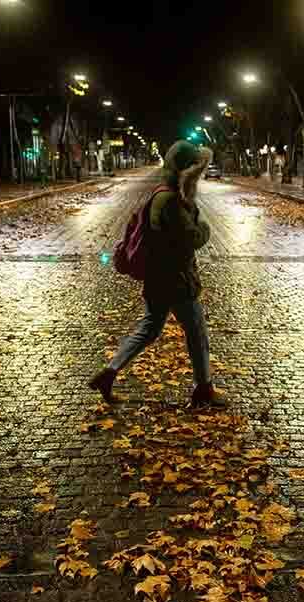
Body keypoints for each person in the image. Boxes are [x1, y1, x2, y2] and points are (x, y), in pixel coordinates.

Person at [88, 140, 222, 407]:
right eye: (196, 169)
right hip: (175, 280)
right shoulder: (170, 199)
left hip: (158, 278)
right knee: (196, 332)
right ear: (185, 170)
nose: (200, 175)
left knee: (149, 329)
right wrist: (203, 226)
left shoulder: (166, 194)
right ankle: (203, 390)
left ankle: (109, 373)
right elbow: (190, 238)